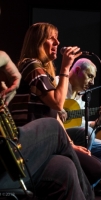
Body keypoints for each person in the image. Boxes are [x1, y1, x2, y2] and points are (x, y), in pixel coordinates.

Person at [0, 50, 95, 199]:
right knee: (54, 128)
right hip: (5, 157)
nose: (58, 43)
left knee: (65, 167)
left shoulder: (43, 75)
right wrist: (5, 58)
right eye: (52, 38)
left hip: (7, 152)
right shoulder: (33, 67)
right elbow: (57, 104)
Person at [56, 58, 101, 187]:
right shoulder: (58, 83)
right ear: (78, 70)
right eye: (90, 76)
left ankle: (86, 187)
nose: (92, 82)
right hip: (58, 135)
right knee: (87, 132)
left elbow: (81, 124)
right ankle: (79, 183)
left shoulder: (80, 96)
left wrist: (98, 122)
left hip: (76, 134)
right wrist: (57, 111)